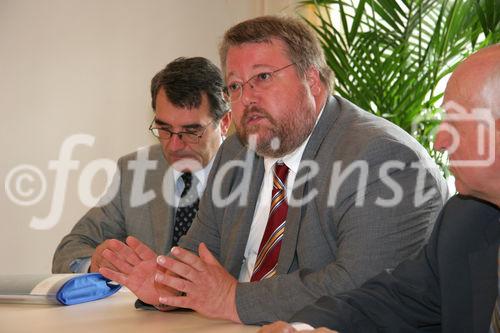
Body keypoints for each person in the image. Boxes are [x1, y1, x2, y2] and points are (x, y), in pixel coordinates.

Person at [99, 16, 448, 324]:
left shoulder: (383, 158)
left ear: (313, 82)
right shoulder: (237, 151)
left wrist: (232, 299)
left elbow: (362, 287)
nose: (246, 98)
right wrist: (166, 284)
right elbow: (201, 254)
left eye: (262, 77)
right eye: (235, 86)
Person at [259, 45, 500, 333]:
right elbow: (391, 300)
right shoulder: (466, 220)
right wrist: (301, 329)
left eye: (456, 122)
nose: (439, 142)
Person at [52, 57, 231, 273]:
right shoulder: (134, 171)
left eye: (191, 131)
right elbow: (70, 249)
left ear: (225, 123)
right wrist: (95, 264)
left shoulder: (255, 171)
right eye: (163, 129)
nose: (174, 146)